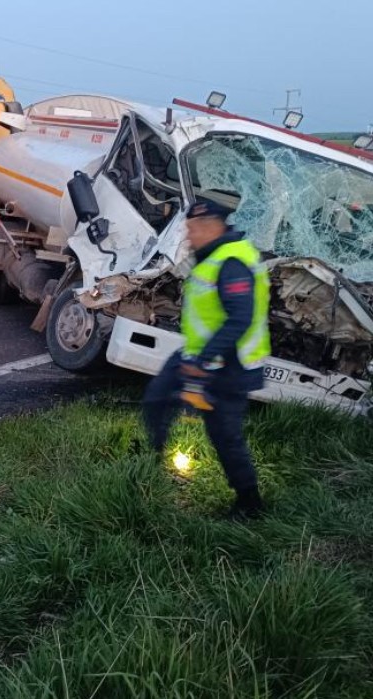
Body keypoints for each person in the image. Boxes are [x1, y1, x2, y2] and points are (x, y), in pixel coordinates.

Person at [143, 198, 271, 519]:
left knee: (224, 435)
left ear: (211, 226)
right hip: (199, 353)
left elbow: (239, 320)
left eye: (192, 230)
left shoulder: (232, 263)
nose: (188, 237)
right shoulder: (214, 256)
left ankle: (249, 503)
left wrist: (202, 363)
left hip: (230, 364)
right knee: (157, 398)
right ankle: (148, 462)